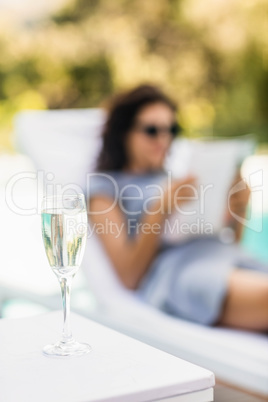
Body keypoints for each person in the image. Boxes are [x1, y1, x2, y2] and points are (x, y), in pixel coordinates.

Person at [87, 84, 268, 331]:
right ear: (123, 133)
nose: (163, 139)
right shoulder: (106, 188)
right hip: (180, 271)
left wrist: (241, 209)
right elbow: (129, 277)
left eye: (171, 130)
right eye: (152, 130)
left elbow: (232, 243)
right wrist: (159, 209)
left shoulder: (178, 177)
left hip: (225, 256)